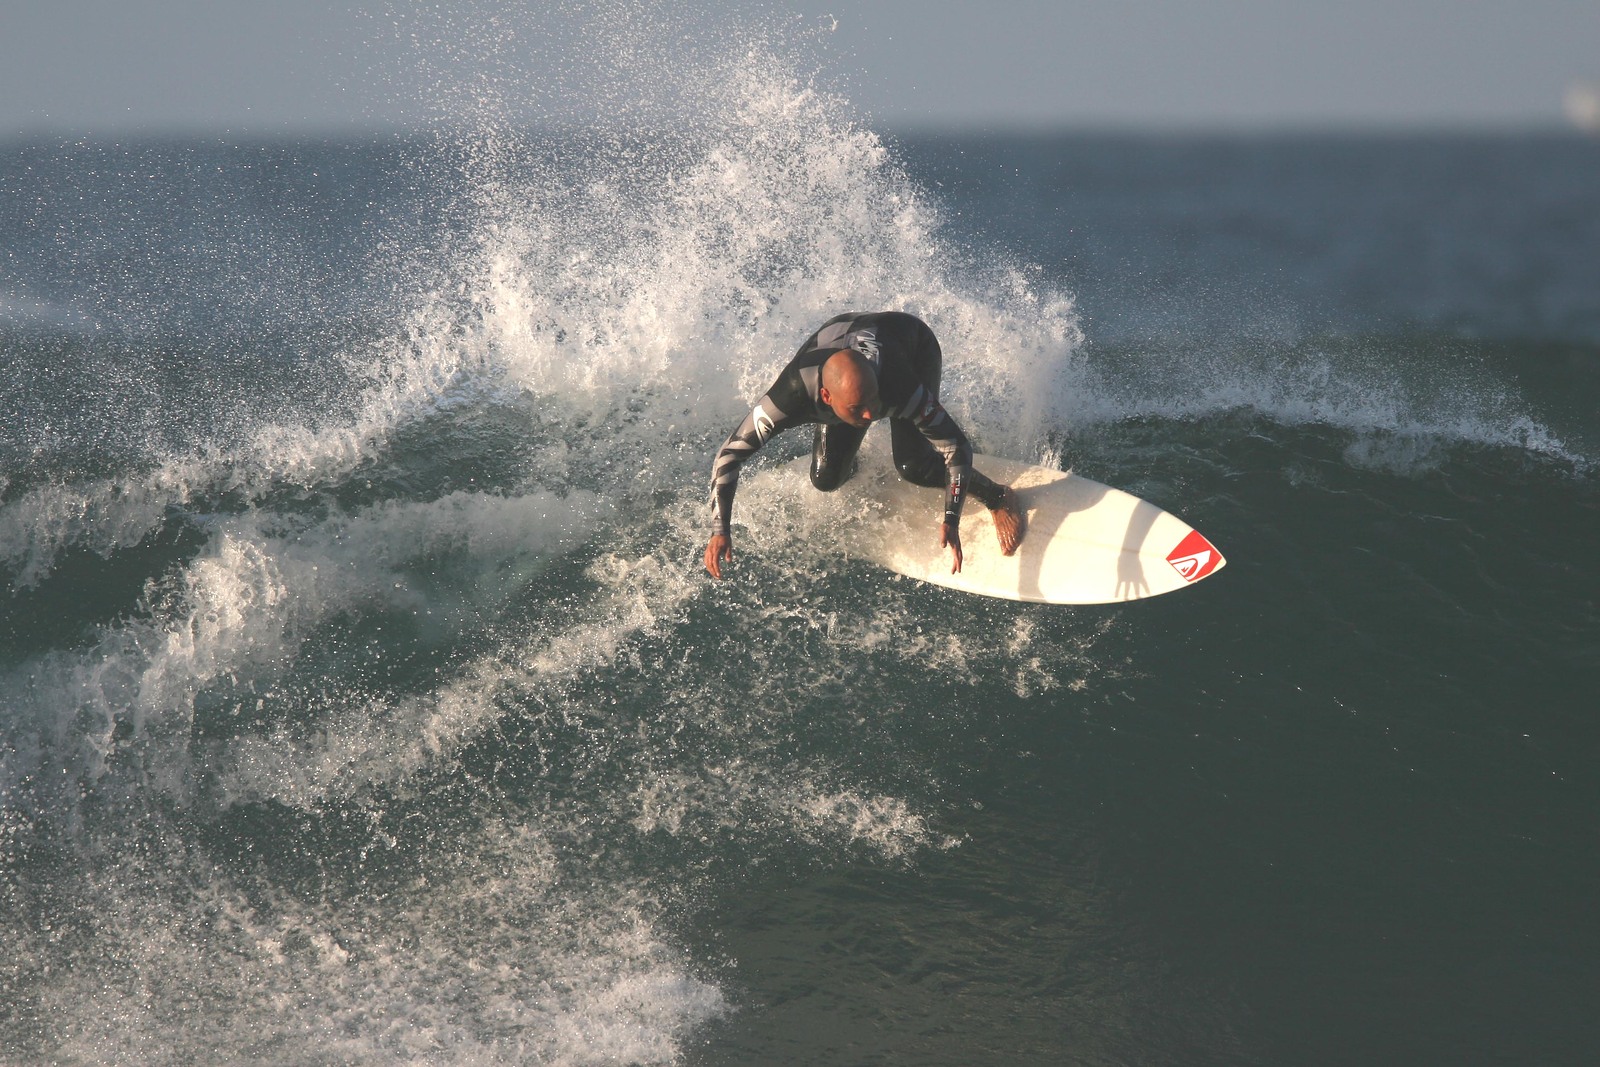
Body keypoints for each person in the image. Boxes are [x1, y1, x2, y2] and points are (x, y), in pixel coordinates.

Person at [704, 310, 1024, 578]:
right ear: (825, 397)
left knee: (913, 466)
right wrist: (721, 529)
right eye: (859, 409)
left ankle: (997, 496)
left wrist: (951, 519)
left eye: (871, 403)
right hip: (843, 348)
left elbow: (957, 448)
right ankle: (851, 453)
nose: (871, 415)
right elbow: (729, 455)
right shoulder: (791, 395)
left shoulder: (898, 386)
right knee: (827, 478)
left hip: (912, 346)